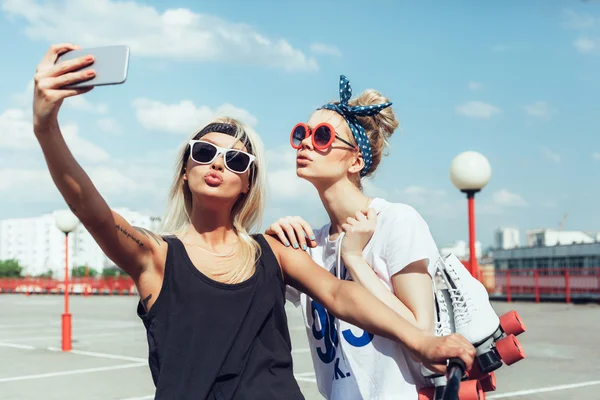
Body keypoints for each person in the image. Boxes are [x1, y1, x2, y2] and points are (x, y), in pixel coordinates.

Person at [32, 44, 474, 400]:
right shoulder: (156, 256)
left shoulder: (274, 252)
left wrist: (422, 342)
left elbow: (340, 295)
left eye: (235, 159)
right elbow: (89, 208)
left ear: (248, 182)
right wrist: (46, 127)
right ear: (185, 170)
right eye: (203, 153)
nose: (217, 164)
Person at [266, 74, 447, 399]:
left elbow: (422, 336)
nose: (306, 143)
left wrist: (354, 259)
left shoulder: (397, 221)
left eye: (322, 136)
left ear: (356, 160)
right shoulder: (311, 244)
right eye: (302, 133)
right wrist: (269, 248)